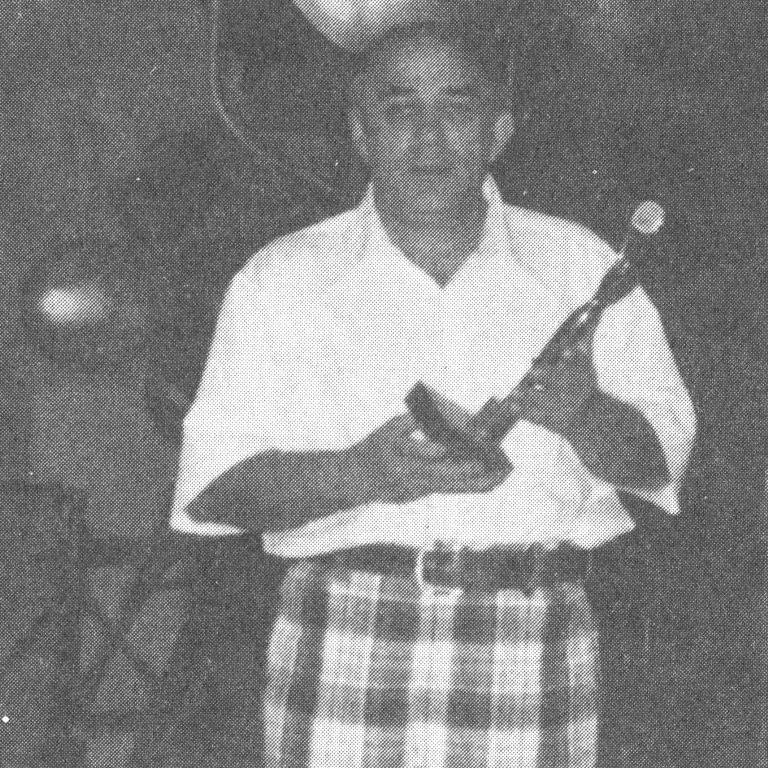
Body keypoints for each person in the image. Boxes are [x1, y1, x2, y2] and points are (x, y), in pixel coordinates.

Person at [170, 21, 695, 768]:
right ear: (359, 132)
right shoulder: (278, 280)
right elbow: (214, 491)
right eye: (398, 108)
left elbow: (659, 467)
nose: (429, 135)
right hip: (343, 629)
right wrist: (365, 473)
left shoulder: (585, 269)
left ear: (498, 129)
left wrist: (586, 415)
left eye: (456, 105)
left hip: (535, 631)